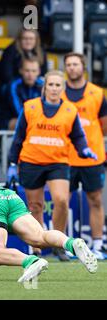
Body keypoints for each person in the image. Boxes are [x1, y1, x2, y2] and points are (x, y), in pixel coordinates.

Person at [7, 70, 98, 261]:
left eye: (58, 85)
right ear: (44, 87)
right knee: (35, 206)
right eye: (51, 85)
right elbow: (18, 137)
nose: (54, 89)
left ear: (63, 88)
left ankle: (59, 244)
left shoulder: (70, 110)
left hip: (58, 162)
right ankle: (37, 246)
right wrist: (12, 163)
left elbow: (78, 136)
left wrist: (84, 150)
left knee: (62, 200)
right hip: (31, 161)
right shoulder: (30, 107)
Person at [63, 52, 107, 260]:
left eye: (76, 64)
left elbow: (104, 126)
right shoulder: (58, 93)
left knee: (96, 200)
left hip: (92, 158)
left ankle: (98, 246)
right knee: (63, 201)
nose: (72, 68)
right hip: (65, 157)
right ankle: (63, 245)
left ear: (83, 67)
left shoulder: (97, 93)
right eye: (69, 64)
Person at [0, 29, 48, 104]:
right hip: (1, 86)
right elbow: (7, 76)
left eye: (31, 39)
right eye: (25, 38)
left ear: (36, 40)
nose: (28, 41)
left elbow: (43, 73)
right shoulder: (11, 51)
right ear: (19, 40)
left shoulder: (41, 52)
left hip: (26, 84)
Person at [0, 58, 43, 130]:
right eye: (27, 70)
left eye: (34, 71)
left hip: (33, 120)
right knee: (19, 122)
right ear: (21, 70)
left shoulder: (43, 85)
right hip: (6, 122)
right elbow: (19, 111)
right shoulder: (13, 85)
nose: (30, 74)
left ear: (39, 72)